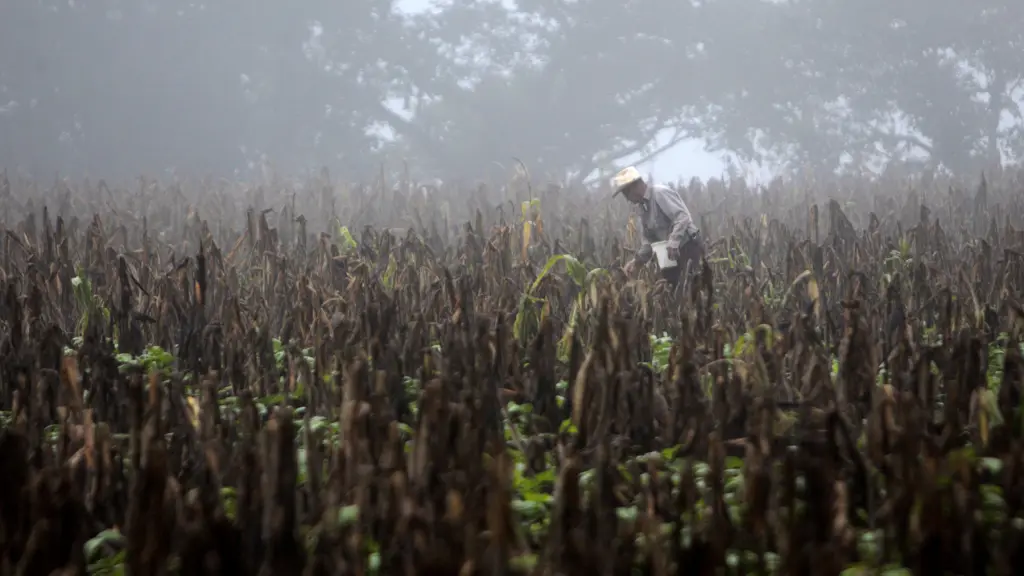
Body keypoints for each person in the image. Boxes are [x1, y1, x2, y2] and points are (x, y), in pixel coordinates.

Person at [612, 166, 704, 287]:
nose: (627, 199)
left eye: (625, 193)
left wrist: (674, 240)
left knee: (692, 288)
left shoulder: (660, 193)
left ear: (635, 186)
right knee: (672, 290)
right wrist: (637, 261)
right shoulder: (641, 208)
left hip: (688, 247)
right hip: (670, 255)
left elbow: (682, 216)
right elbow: (649, 241)